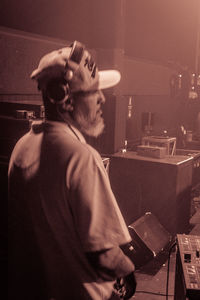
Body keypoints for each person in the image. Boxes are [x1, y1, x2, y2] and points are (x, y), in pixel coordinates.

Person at [8, 40, 136, 300]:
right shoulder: (81, 157)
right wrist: (128, 271)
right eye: (93, 92)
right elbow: (103, 256)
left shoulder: (22, 146)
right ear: (62, 98)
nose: (102, 98)